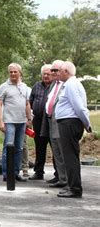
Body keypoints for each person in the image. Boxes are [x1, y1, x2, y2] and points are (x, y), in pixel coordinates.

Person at [55, 61, 92, 198]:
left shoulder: (71, 84)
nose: (58, 73)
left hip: (69, 123)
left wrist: (87, 123)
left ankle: (75, 188)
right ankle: (72, 185)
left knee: (70, 157)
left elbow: (79, 106)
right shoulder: (71, 84)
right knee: (70, 156)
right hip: (68, 123)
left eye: (60, 71)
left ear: (66, 71)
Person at [0, 63, 32, 182]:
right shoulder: (4, 86)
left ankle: (16, 173)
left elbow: (27, 104)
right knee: (8, 147)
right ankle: (7, 174)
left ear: (20, 73)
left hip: (21, 122)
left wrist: (29, 119)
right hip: (9, 122)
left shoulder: (25, 87)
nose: (12, 74)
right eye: (10, 72)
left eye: (15, 72)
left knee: (19, 149)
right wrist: (1, 122)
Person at [42, 60, 67, 188]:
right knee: (56, 152)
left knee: (63, 152)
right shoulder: (53, 84)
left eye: (56, 70)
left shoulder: (67, 84)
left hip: (62, 122)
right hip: (51, 121)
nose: (53, 73)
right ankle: (61, 178)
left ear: (63, 70)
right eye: (52, 70)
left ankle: (68, 180)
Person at [28, 64, 52, 180]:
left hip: (51, 121)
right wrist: (29, 118)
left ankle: (58, 174)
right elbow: (30, 102)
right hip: (38, 120)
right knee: (39, 147)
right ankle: (38, 172)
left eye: (48, 74)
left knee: (55, 147)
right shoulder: (36, 86)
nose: (46, 76)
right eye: (44, 74)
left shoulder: (55, 86)